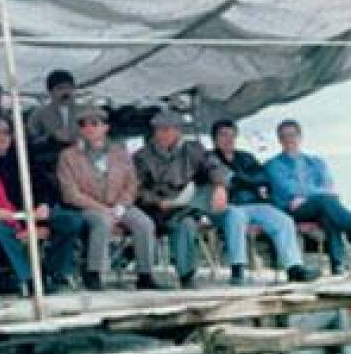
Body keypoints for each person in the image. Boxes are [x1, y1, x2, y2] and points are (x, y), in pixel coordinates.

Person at [0, 118, 81, 295]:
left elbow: (45, 186)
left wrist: (44, 205)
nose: (3, 138)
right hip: (1, 216)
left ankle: (55, 269)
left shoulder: (22, 157)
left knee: (71, 221)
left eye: (6, 133)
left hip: (32, 212)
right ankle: (30, 277)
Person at [58, 106, 165, 291]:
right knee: (102, 221)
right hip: (87, 206)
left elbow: (131, 184)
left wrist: (122, 205)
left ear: (105, 127)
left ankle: (145, 274)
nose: (88, 128)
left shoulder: (121, 153)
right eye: (83, 124)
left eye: (94, 123)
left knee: (144, 223)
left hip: (119, 204)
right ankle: (94, 273)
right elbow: (70, 192)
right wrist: (102, 208)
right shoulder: (68, 156)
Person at [208, 119, 319, 285]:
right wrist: (246, 181)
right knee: (236, 215)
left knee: (283, 220)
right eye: (223, 135)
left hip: (253, 204)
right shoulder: (209, 158)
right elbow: (224, 179)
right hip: (226, 207)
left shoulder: (245, 157)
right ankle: (237, 268)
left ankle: (294, 267)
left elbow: (262, 178)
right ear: (214, 138)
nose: (228, 139)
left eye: (232, 135)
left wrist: (240, 179)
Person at [134, 110, 229, 288]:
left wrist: (220, 186)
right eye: (158, 130)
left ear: (178, 131)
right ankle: (145, 276)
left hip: (182, 206)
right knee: (152, 222)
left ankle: (186, 275)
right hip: (154, 208)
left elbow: (214, 166)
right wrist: (156, 201)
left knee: (186, 223)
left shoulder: (193, 149)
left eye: (167, 129)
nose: (161, 134)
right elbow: (136, 188)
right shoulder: (142, 156)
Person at [265, 119, 351, 275]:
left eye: (292, 135)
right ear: (279, 140)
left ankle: (338, 265)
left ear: (300, 136)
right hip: (290, 211)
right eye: (284, 136)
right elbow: (288, 189)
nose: (289, 139)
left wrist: (308, 196)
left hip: (316, 207)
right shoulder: (273, 165)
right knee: (326, 202)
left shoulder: (316, 162)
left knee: (328, 213)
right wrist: (317, 194)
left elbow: (328, 186)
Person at [27, 70, 82, 168]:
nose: (66, 92)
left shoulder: (86, 111)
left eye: (69, 88)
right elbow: (32, 140)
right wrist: (52, 138)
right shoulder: (39, 114)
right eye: (60, 88)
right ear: (50, 92)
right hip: (52, 163)